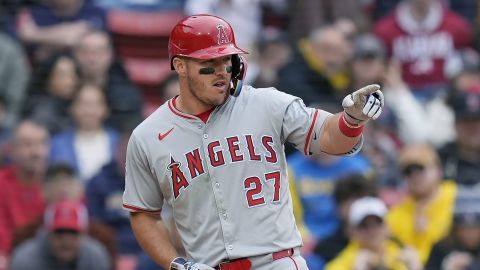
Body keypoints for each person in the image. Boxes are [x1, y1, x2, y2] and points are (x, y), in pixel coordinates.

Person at [122, 14, 385, 270]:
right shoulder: (148, 136)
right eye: (210, 62)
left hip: (277, 261)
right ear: (180, 65)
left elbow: (329, 136)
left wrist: (352, 119)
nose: (222, 72)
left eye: (227, 60)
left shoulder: (267, 104)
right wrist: (177, 264)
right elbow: (144, 213)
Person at [374, 0, 472, 98]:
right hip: (402, 94)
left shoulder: (458, 27)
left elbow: (467, 69)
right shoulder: (384, 31)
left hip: (446, 95)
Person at [387, 143, 457, 265]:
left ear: (438, 170)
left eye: (420, 168)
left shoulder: (457, 196)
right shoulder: (395, 214)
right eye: (408, 172)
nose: (415, 176)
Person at [49, 83, 120, 183]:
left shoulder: (118, 142)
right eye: (83, 104)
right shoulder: (57, 144)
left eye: (95, 104)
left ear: (106, 109)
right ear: (72, 108)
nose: (89, 111)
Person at [9, 200, 111, 270]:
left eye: (73, 232)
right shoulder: (25, 261)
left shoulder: (95, 258)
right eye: (59, 232)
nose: (65, 240)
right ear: (47, 233)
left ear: (84, 234)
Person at [325, 197, 422, 270]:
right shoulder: (338, 266)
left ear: (387, 227)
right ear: (352, 231)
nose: (372, 231)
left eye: (377, 223)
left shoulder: (402, 257)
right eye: (364, 225)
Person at [0, 120, 49, 259]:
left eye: (41, 144)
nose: (36, 152)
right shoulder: (1, 183)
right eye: (27, 144)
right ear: (11, 149)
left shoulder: (61, 184)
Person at [425, 185, 480, 270]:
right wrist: (445, 267)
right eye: (464, 227)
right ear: (455, 228)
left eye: (474, 227)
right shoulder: (441, 249)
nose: (470, 233)